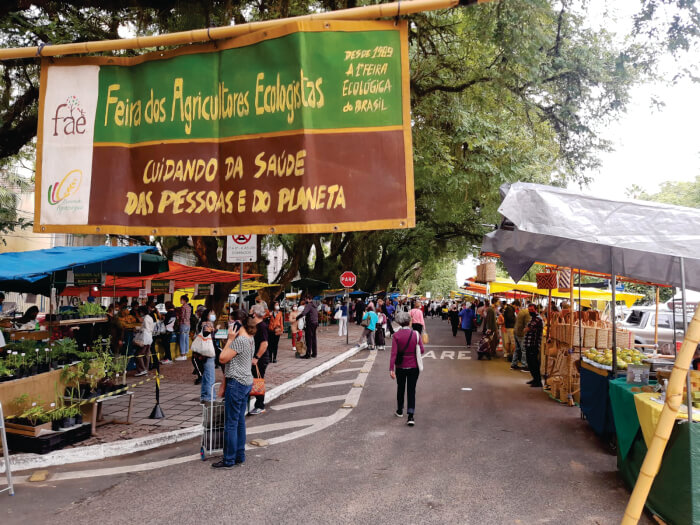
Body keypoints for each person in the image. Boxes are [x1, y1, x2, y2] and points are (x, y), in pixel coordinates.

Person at [212, 309, 256, 469]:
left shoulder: (239, 341)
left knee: (231, 423)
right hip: (244, 382)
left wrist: (229, 340)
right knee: (239, 421)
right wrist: (223, 385)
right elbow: (232, 363)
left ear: (237, 323)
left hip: (237, 384)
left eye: (230, 322)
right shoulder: (250, 338)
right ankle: (239, 455)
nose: (229, 326)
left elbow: (223, 358)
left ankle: (229, 459)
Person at [390, 311, 425, 426]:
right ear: (409, 322)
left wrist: (391, 369)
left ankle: (400, 410)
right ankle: (410, 415)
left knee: (400, 388)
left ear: (399, 323)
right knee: (411, 390)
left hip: (400, 367)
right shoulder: (416, 334)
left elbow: (394, 354)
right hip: (414, 366)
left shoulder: (396, 335)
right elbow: (422, 350)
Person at [249, 303, 269, 415]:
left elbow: (264, 344)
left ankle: (260, 405)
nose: (250, 313)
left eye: (251, 311)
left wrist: (256, 357)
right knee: (256, 380)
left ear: (255, 314)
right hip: (257, 358)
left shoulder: (261, 326)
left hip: (260, 359)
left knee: (258, 381)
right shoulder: (256, 325)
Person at [523, 303, 544, 388]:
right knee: (530, 363)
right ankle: (534, 379)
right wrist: (527, 328)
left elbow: (528, 328)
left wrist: (527, 329)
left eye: (531, 310)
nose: (530, 311)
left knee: (534, 363)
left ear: (536, 310)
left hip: (534, 344)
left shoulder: (538, 319)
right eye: (529, 310)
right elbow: (527, 328)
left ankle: (538, 381)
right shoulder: (533, 318)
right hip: (529, 344)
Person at [133, 305, 153, 377]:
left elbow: (146, 329)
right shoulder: (149, 318)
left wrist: (138, 328)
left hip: (144, 338)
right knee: (147, 355)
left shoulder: (145, 319)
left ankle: (142, 370)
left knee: (139, 355)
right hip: (149, 338)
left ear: (142, 312)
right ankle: (146, 370)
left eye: (140, 312)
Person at [512, 299, 530, 370]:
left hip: (516, 332)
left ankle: (514, 364)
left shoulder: (522, 311)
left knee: (517, 349)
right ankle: (524, 365)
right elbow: (528, 324)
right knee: (524, 350)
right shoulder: (527, 313)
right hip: (521, 333)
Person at [175, 295, 192, 361]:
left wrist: (177, 316)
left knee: (182, 340)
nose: (180, 301)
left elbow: (182, 316)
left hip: (183, 324)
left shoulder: (183, 307)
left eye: (181, 299)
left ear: (184, 300)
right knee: (186, 339)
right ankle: (186, 354)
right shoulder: (189, 307)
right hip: (188, 325)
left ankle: (182, 354)